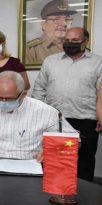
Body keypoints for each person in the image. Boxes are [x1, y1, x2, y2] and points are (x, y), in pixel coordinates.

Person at [32, 27, 102, 181]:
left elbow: (101, 94)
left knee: (85, 160)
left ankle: (84, 193)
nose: (70, 43)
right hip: (54, 121)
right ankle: (54, 193)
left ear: (85, 41)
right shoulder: (50, 61)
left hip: (85, 120)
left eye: (75, 41)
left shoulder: (98, 63)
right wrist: (34, 114)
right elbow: (39, 88)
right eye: (67, 40)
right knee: (53, 160)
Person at [0, 71, 75, 160]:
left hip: (29, 165)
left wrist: (52, 149)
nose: (3, 102)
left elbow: (74, 142)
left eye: (9, 98)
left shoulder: (46, 111)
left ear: (23, 94)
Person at [26, 0, 77, 65]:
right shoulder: (31, 50)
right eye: (56, 19)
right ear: (44, 24)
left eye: (67, 19)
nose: (64, 23)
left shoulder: (77, 46)